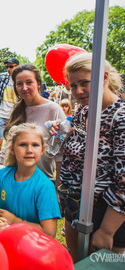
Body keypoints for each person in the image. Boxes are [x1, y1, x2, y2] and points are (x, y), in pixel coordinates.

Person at [58, 53, 125, 261]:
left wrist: (107, 230)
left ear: (104, 77)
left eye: (84, 83)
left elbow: (123, 181)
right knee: (77, 263)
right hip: (76, 207)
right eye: (72, 85)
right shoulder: (82, 111)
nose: (78, 91)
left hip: (107, 215)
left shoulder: (120, 117)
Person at [0, 123, 61, 237]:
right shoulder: (2, 176)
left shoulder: (45, 187)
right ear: (12, 149)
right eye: (23, 145)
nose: (29, 150)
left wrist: (15, 221)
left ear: (42, 150)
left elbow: (49, 233)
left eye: (35, 145)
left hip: (30, 246)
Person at [4, 64, 66, 182]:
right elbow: (8, 147)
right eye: (19, 84)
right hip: (15, 179)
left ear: (38, 84)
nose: (24, 87)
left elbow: (61, 153)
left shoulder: (54, 109)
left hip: (43, 182)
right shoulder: (16, 110)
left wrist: (58, 185)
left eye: (29, 82)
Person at [0, 58, 19, 148]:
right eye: (7, 67)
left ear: (17, 67)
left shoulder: (20, 78)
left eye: (11, 67)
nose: (8, 69)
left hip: (14, 116)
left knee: (13, 142)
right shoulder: (2, 77)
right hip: (1, 114)